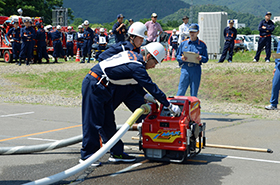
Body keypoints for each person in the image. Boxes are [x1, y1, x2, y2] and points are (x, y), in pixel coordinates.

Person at [80, 42, 181, 165]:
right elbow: (151, 86)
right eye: (155, 62)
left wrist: (145, 96)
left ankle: (116, 152)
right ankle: (87, 156)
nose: (154, 66)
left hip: (104, 87)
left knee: (108, 123)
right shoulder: (136, 66)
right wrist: (169, 106)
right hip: (95, 84)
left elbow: (134, 83)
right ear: (148, 56)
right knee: (93, 122)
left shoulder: (134, 58)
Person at [98, 22, 148, 123]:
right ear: (132, 37)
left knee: (145, 113)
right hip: (117, 87)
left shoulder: (137, 50)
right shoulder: (122, 47)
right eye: (140, 38)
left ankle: (145, 136)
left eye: (143, 39)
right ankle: (104, 138)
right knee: (106, 115)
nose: (142, 41)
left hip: (131, 88)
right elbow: (102, 57)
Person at [176, 23, 208, 97]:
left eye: (194, 32)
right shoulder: (183, 43)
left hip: (196, 69)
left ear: (198, 32)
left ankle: (192, 108)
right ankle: (178, 107)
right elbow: (177, 56)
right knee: (181, 90)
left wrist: (201, 58)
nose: (192, 34)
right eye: (190, 32)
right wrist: (181, 58)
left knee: (194, 92)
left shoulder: (202, 45)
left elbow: (206, 59)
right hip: (185, 68)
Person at [265, 40, 280, 110]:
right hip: (279, 66)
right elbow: (278, 53)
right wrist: (276, 66)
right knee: (275, 84)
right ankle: (273, 104)